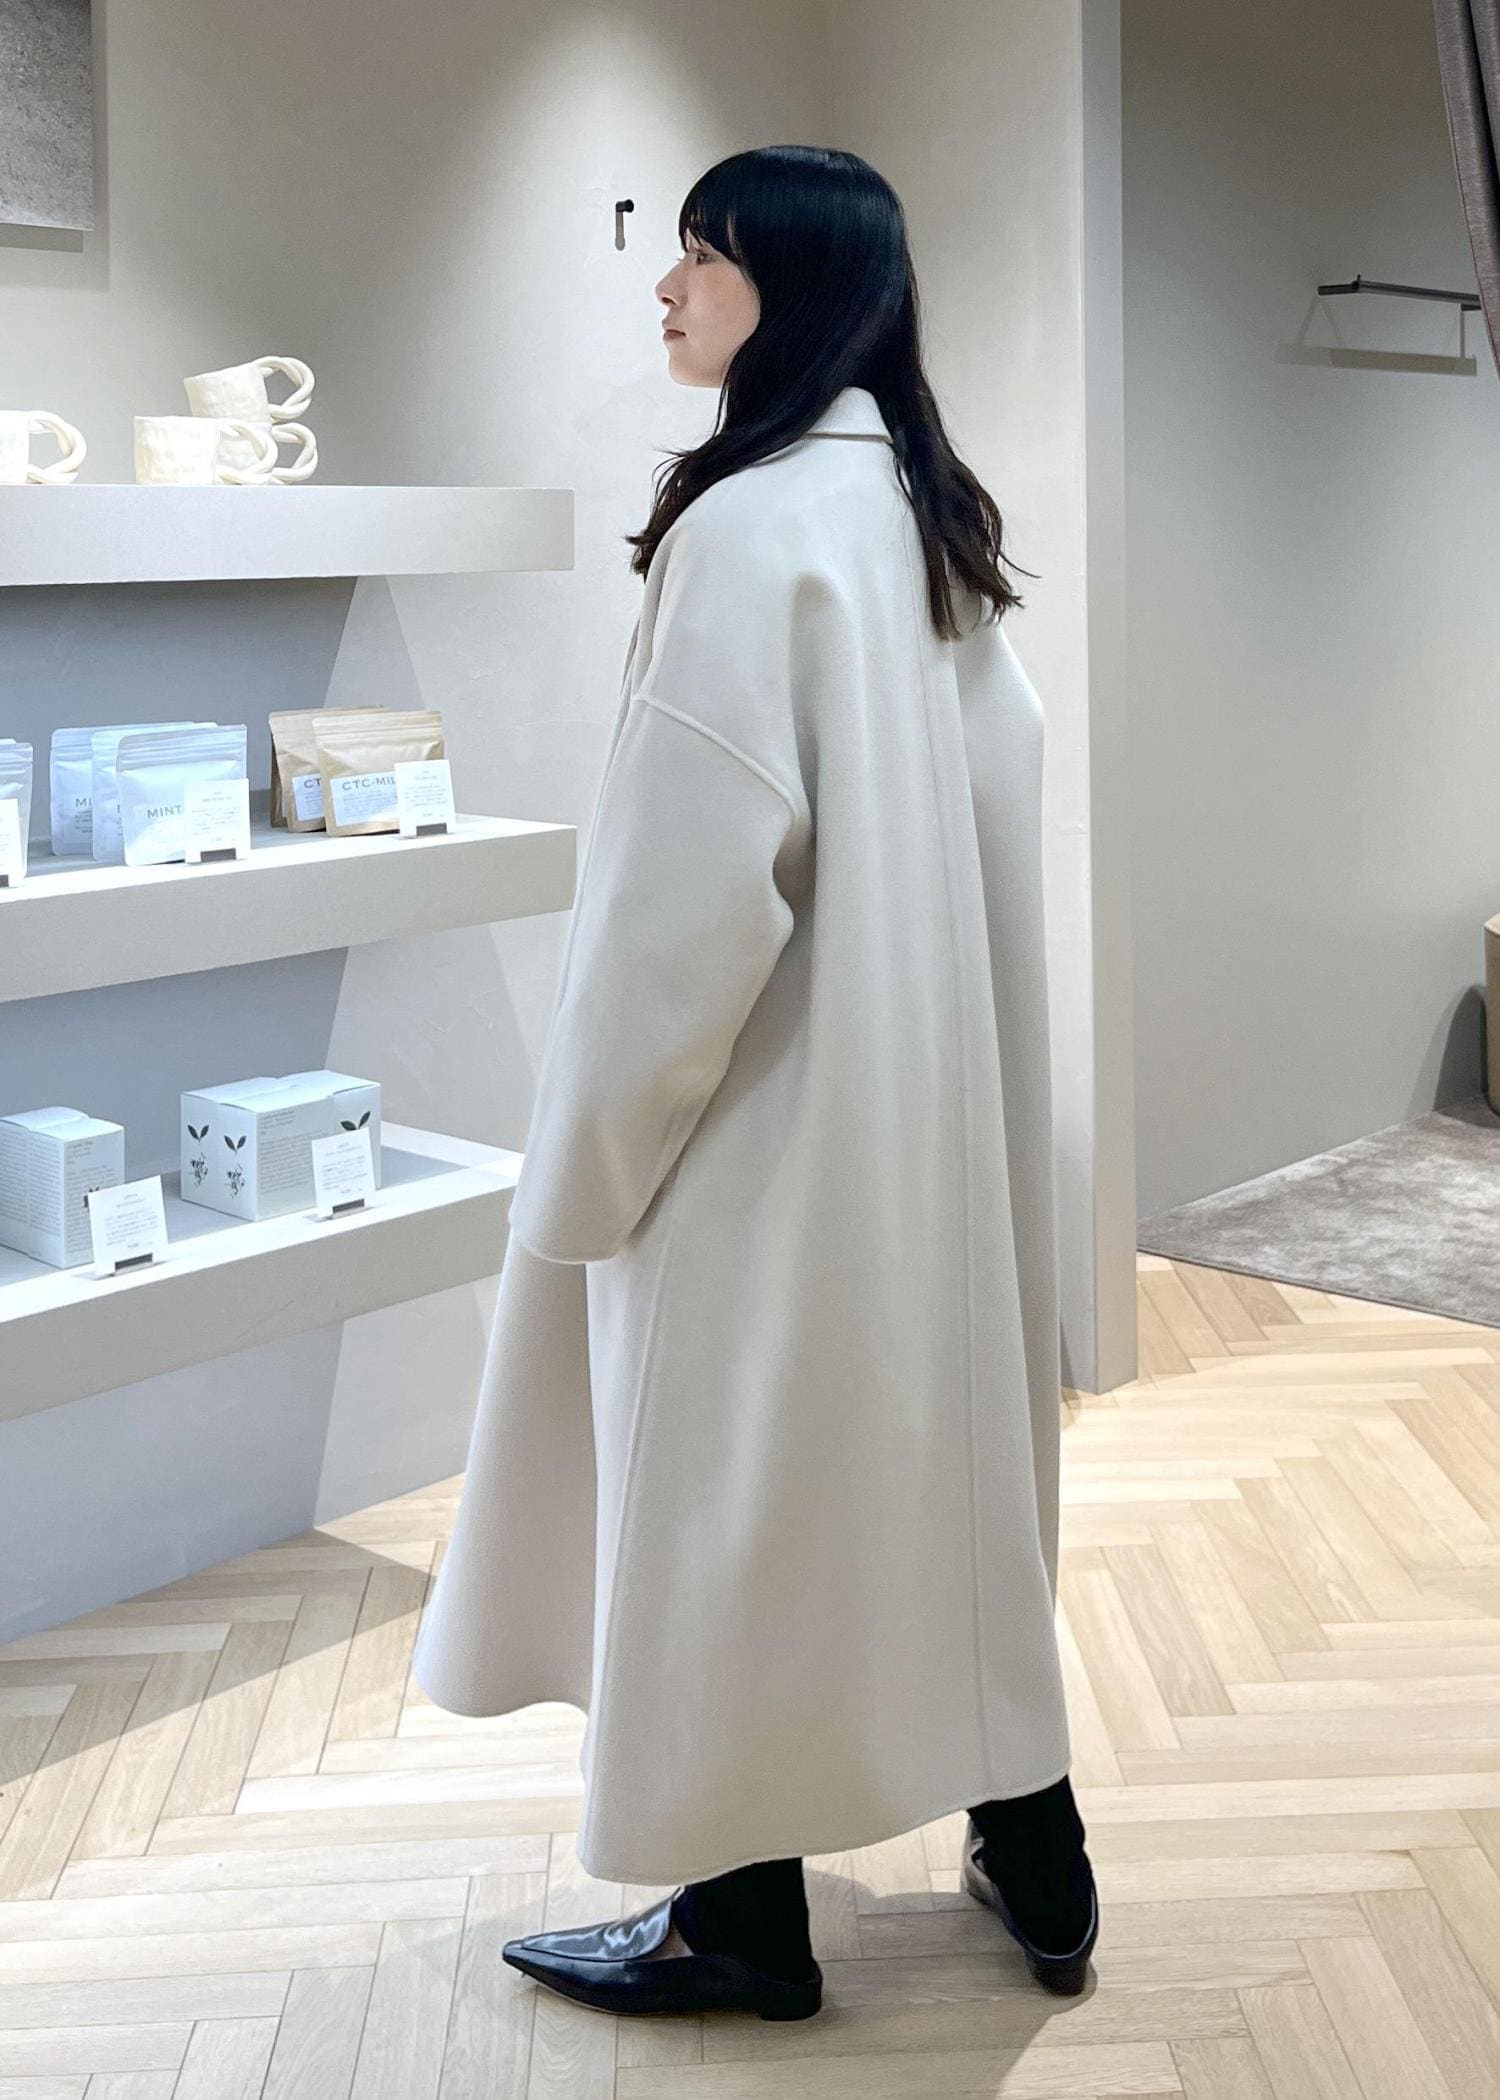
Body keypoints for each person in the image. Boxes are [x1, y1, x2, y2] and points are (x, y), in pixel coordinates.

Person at [408, 142, 1098, 2023]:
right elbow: (994, 803)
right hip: (922, 1115)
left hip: (765, 1124)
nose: (665, 289)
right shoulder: (925, 514)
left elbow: (679, 904)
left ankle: (739, 1920)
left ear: (786, 286)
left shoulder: (750, 526)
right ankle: (1040, 1857)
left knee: (728, 1517)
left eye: (700, 258)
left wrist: (586, 1173)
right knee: (939, 1489)